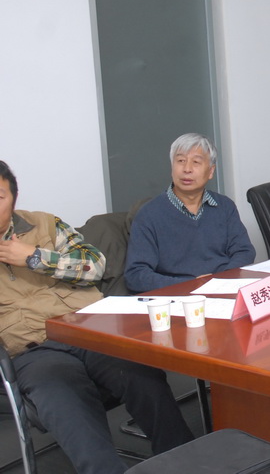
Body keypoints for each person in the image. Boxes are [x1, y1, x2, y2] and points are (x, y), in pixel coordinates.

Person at [0, 160, 194, 474]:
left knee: (141, 374)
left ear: (13, 198)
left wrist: (36, 258)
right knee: (66, 400)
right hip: (34, 350)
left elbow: (95, 266)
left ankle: (188, 462)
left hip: (87, 330)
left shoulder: (44, 224)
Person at [125, 133, 255, 293]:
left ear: (211, 171)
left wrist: (219, 280)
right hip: (178, 296)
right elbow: (136, 275)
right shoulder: (149, 214)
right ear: (172, 168)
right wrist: (192, 284)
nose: (187, 169)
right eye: (180, 161)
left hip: (223, 289)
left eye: (196, 162)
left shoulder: (224, 206)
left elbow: (244, 251)